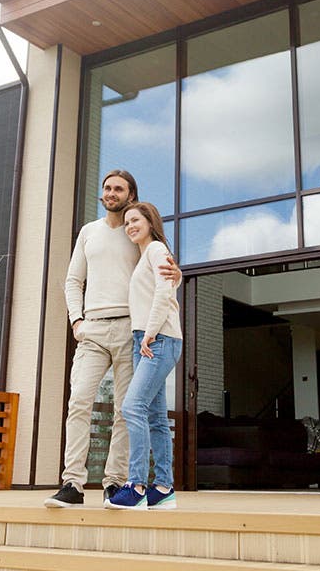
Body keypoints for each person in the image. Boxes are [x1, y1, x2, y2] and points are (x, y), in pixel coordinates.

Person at [45, 170, 179, 508]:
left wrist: (177, 272)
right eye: (107, 187)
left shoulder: (137, 234)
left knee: (125, 409)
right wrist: (76, 320)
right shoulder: (89, 232)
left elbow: (161, 271)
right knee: (79, 402)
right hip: (91, 330)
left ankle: (115, 482)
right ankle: (72, 484)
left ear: (131, 194)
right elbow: (73, 280)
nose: (111, 193)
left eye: (119, 188)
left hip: (129, 331)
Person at [105, 201, 182, 510]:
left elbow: (165, 294)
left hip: (157, 339)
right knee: (155, 417)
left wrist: (149, 333)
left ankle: (136, 486)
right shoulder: (145, 255)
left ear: (150, 221)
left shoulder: (157, 251)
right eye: (127, 223)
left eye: (135, 219)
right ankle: (163, 488)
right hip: (149, 339)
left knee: (132, 407)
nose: (130, 226)